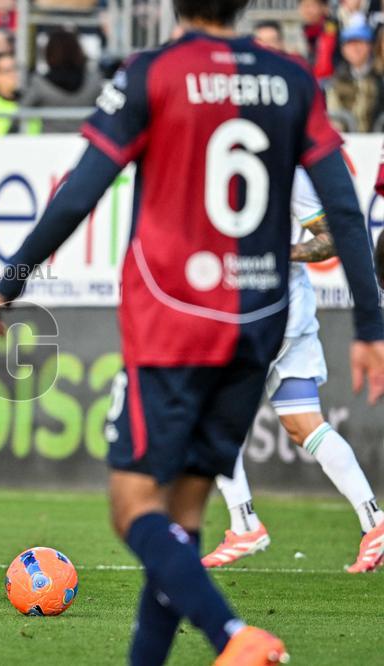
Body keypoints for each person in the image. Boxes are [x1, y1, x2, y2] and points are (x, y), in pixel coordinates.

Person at [0, 0, 384, 663]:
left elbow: (81, 190)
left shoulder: (153, 73)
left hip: (176, 319)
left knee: (132, 505)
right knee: (183, 517)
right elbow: (342, 206)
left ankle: (231, 634)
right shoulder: (292, 80)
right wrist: (370, 322)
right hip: (258, 321)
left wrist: (12, 278)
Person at [202, 23, 384, 574]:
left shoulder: (282, 156)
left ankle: (244, 523)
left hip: (266, 308)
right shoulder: (232, 147)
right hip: (286, 312)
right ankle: (374, 522)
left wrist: (280, 254)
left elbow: (329, 233)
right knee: (304, 421)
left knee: (207, 413)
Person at [326, 21, 383, 131]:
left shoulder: (380, 77)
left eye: (360, 42)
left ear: (370, 46)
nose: (355, 48)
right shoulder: (336, 81)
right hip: (348, 142)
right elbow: (334, 117)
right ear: (343, 50)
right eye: (350, 43)